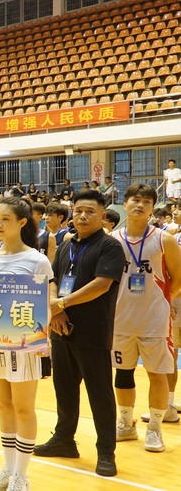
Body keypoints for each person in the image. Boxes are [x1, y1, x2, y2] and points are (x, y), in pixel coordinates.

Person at [34, 189, 125, 478]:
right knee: (64, 388)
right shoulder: (66, 245)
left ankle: (106, 452)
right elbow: (55, 280)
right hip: (61, 329)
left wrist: (61, 303)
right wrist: (56, 311)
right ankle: (64, 440)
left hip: (92, 332)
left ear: (102, 215)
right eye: (78, 211)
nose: (83, 215)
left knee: (99, 393)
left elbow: (101, 284)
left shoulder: (110, 247)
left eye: (90, 211)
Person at [0, 198, 54, 491]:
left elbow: (46, 303)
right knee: (4, 405)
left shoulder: (37, 260)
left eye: (5, 219)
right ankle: (8, 469)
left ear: (22, 223)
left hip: (25, 346)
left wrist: (41, 340)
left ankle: (22, 475)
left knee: (24, 407)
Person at [111, 184, 181, 453]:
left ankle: (155, 428)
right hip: (120, 319)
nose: (139, 205)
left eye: (146, 202)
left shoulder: (165, 239)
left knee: (157, 374)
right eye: (135, 200)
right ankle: (126, 424)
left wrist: (162, 301)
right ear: (124, 204)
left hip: (154, 320)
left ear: (153, 208)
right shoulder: (112, 240)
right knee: (123, 372)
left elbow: (177, 277)